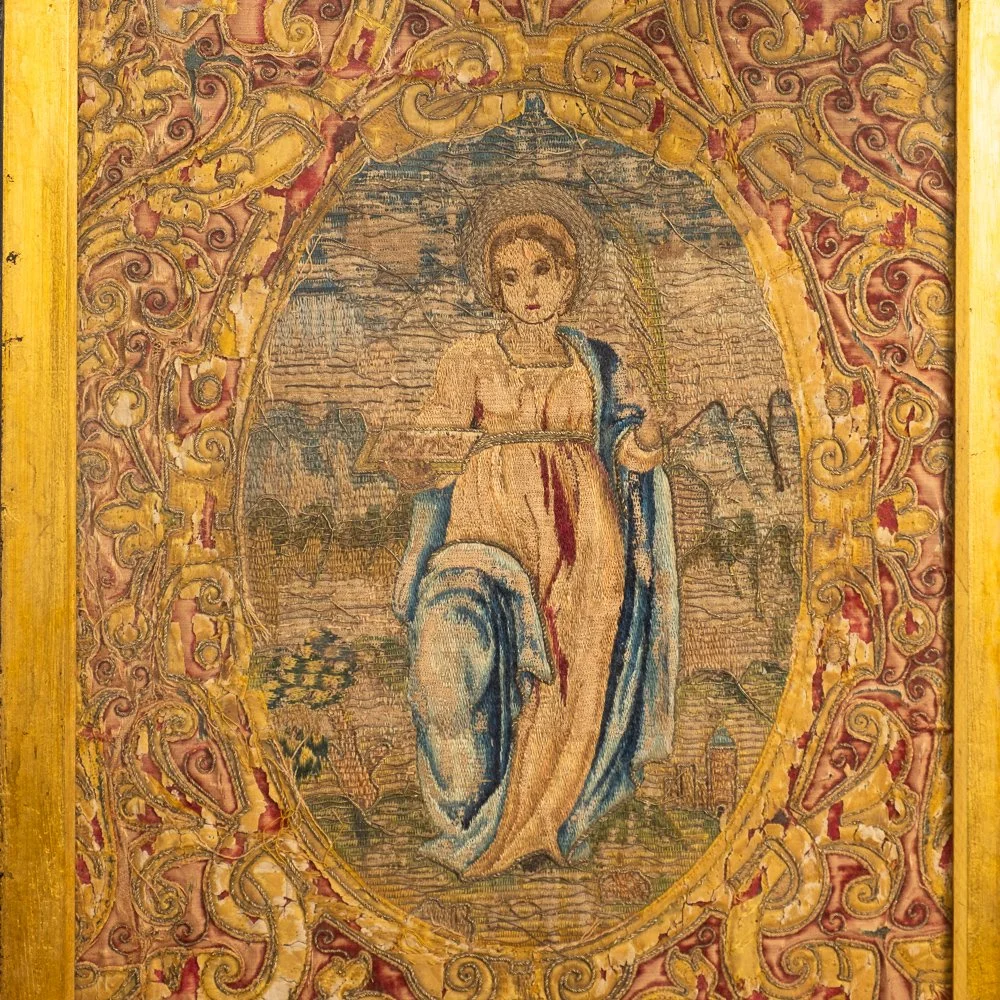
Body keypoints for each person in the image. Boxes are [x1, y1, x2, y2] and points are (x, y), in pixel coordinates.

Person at [391, 180, 679, 878]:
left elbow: (624, 451)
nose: (529, 290)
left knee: (572, 683)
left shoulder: (596, 362)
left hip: (586, 538)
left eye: (543, 271)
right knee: (452, 669)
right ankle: (473, 815)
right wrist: (420, 459)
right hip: (486, 533)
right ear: (494, 287)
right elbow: (430, 449)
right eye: (511, 276)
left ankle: (537, 823)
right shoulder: (470, 358)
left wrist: (648, 439)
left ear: (569, 276)